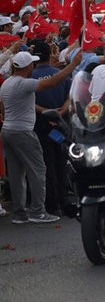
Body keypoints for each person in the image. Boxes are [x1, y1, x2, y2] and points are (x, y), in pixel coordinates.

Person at [0, 49, 82, 224]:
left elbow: (2, 106)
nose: (34, 65)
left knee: (16, 174)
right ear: (27, 66)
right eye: (32, 63)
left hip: (7, 130)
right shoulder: (24, 83)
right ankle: (38, 211)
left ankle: (19, 213)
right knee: (38, 170)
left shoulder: (6, 83)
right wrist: (73, 65)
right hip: (24, 132)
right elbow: (53, 82)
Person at [31, 41, 71, 215]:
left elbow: (29, 102)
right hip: (60, 125)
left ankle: (52, 204)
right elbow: (71, 96)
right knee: (61, 162)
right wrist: (62, 110)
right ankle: (63, 201)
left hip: (41, 125)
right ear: (50, 56)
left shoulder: (29, 77)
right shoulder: (60, 75)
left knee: (46, 164)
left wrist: (47, 112)